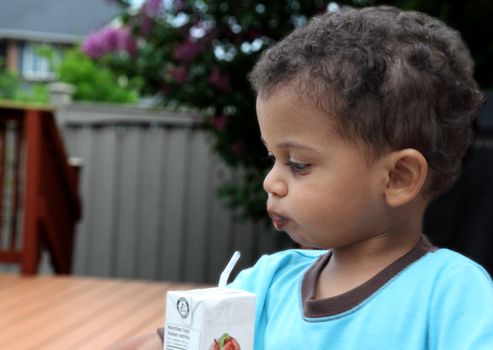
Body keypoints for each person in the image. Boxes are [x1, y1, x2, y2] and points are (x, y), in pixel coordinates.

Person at [111, 5, 493, 349]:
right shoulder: (266, 284)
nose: (271, 182)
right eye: (271, 157)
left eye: (297, 164)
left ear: (397, 177)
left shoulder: (452, 295)